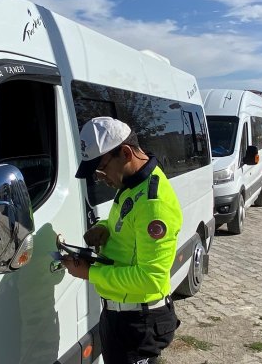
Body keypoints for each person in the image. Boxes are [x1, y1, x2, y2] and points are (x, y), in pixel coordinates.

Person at [61, 117, 182, 364]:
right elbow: (126, 225)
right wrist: (103, 228)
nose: (100, 177)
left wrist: (89, 274)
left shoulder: (153, 204)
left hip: (138, 324)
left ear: (125, 153)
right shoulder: (131, 184)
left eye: (101, 168)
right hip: (120, 315)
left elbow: (150, 279)